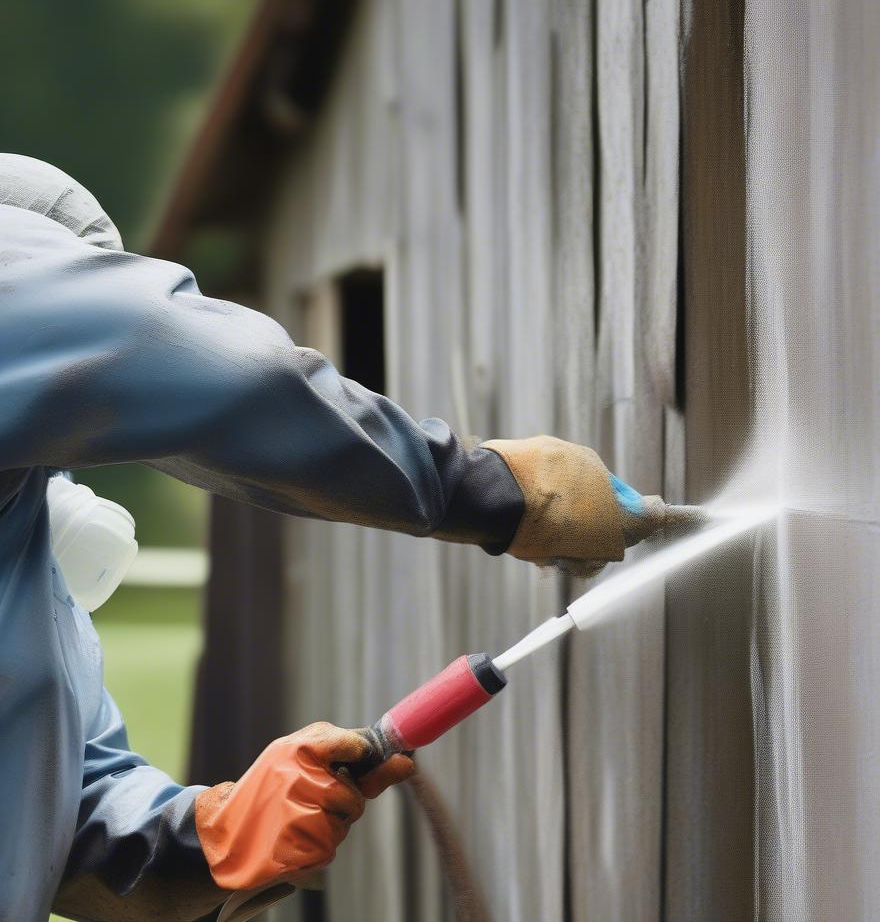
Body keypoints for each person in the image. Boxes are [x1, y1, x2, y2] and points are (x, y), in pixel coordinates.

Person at [0, 154, 694, 921]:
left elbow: (57, 811)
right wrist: (486, 488)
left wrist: (214, 833)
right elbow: (178, 355)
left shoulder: (28, 582)